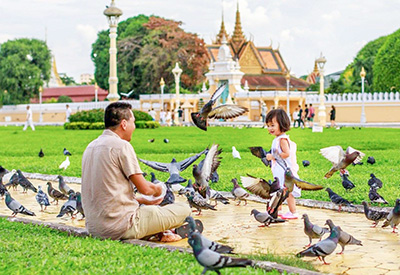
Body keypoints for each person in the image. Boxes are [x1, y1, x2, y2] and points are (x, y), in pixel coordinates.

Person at [81, 102, 191, 241]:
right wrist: (159, 189)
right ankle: (167, 231)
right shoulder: (122, 146)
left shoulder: (90, 147)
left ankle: (161, 231)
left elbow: (107, 194)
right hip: (120, 228)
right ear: (124, 124)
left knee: (150, 210)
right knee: (185, 209)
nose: (135, 127)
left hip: (95, 228)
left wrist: (142, 200)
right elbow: (145, 188)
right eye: (133, 122)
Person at [265, 108, 300, 220]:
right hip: (279, 170)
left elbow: (286, 153)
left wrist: (273, 157)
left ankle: (293, 212)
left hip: (285, 171)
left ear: (282, 124)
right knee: (279, 190)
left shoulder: (282, 140)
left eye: (272, 125)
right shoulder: (277, 139)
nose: (270, 128)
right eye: (268, 125)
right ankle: (278, 209)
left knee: (287, 192)